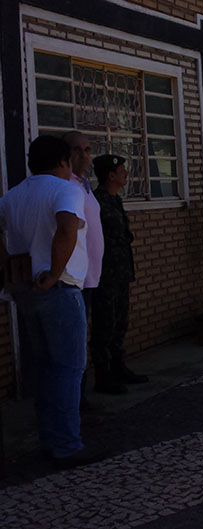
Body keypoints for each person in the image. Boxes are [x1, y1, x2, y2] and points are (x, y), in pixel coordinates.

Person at [1, 136, 95, 468]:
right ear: (63, 161)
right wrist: (55, 272)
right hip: (59, 289)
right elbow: (67, 227)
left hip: (26, 290)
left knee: (44, 369)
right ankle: (67, 445)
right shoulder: (65, 189)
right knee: (68, 369)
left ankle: (49, 439)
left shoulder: (13, 195)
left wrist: (8, 268)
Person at [91, 154, 148, 394]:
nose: (126, 173)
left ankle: (118, 368)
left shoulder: (115, 200)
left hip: (120, 272)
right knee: (104, 325)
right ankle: (103, 376)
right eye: (122, 170)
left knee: (120, 322)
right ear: (110, 175)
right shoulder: (96, 201)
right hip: (104, 275)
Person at [62, 131, 104, 399]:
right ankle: (76, 399)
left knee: (85, 336)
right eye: (77, 150)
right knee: (75, 343)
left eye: (87, 150)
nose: (84, 155)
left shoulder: (84, 184)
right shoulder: (66, 187)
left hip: (92, 276)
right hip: (75, 279)